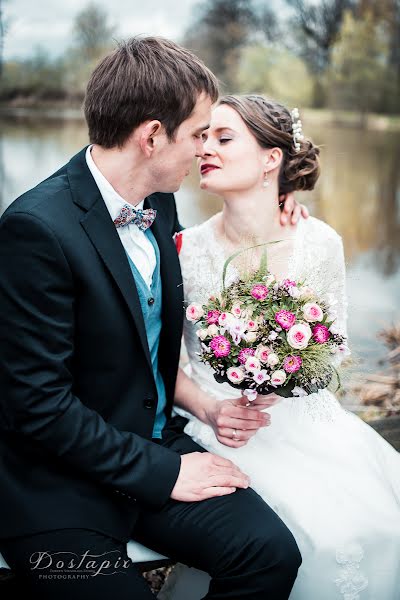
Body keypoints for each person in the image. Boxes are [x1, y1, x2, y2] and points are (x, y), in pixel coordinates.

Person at [0, 39, 307, 599]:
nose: (203, 151)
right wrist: (166, 474)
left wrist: (277, 202)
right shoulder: (35, 230)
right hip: (56, 485)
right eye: (197, 135)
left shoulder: (159, 202)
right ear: (150, 136)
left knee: (270, 554)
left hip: (155, 448)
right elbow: (37, 406)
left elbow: (152, 338)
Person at [172, 94, 400, 599]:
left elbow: (332, 349)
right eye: (204, 136)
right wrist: (212, 409)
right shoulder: (184, 250)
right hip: (221, 425)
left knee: (375, 528)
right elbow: (163, 364)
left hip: (307, 420)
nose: (205, 147)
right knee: (294, 533)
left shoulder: (319, 242)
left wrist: (283, 381)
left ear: (271, 159)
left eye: (223, 138)